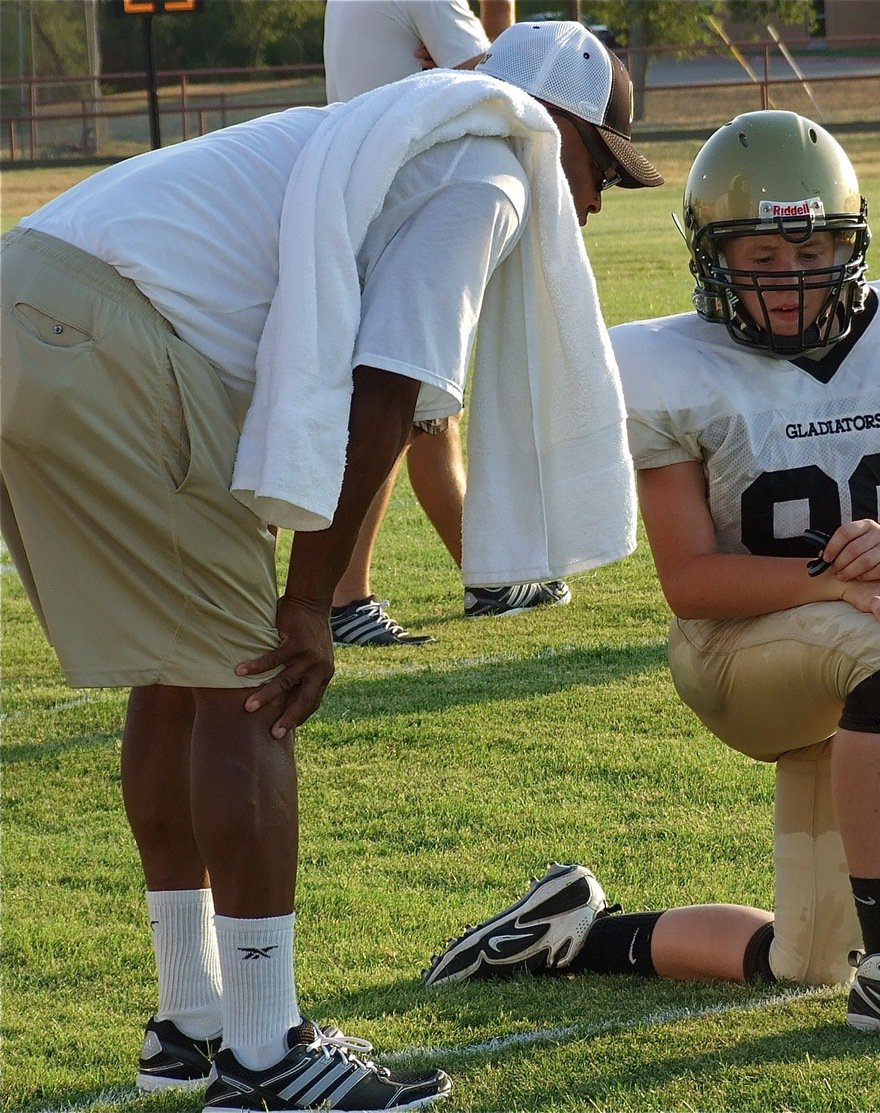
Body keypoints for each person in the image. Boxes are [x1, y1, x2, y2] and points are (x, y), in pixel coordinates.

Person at [0, 21, 661, 1111]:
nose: (593, 203)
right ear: (559, 129)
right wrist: (310, 603)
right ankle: (263, 1058)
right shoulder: (492, 164)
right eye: (602, 168)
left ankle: (191, 1026)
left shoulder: (395, 126)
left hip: (38, 289)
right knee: (254, 676)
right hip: (112, 333)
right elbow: (388, 385)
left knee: (180, 672)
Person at [421, 111, 880, 1043]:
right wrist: (838, 581)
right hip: (736, 656)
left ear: (853, 243)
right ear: (714, 257)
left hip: (842, 660)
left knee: (803, 958)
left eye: (813, 252)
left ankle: (569, 937)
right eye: (762, 252)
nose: (789, 280)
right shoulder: (673, 370)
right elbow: (693, 583)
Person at [324, 0, 571, 647]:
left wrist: (479, 59)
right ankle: (343, 596)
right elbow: (508, 99)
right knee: (398, 397)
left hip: (378, 194)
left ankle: (488, 575)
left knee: (430, 412)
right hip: (417, 200)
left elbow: (480, 76)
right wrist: (491, 41)